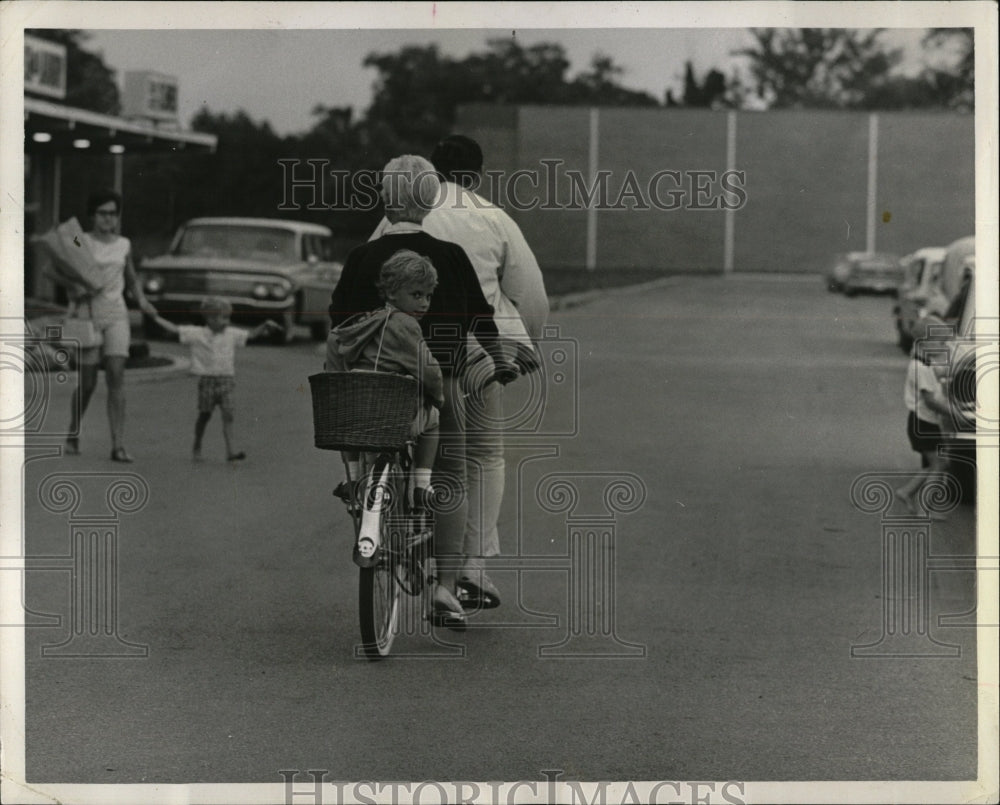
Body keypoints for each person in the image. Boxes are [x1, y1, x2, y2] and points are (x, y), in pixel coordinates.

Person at [328, 154, 517, 628]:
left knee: (372, 456)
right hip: (441, 385)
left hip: (373, 390)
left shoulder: (359, 259)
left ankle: (369, 506)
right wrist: (499, 360)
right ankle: (446, 589)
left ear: (385, 200)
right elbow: (482, 320)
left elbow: (338, 321)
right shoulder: (449, 256)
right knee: (453, 470)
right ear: (431, 199)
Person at [371, 135, 550, 610]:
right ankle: (470, 565)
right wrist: (519, 347)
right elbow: (530, 295)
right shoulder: (493, 217)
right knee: (482, 454)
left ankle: (404, 533)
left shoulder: (398, 216)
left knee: (406, 442)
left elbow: (370, 277)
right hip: (469, 353)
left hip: (398, 350)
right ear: (478, 175)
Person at [326, 249, 444, 537]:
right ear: (392, 292)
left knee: (349, 419)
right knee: (433, 420)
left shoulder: (366, 322)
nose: (424, 303)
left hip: (360, 413)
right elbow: (428, 369)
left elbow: (338, 349)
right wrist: (437, 395)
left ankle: (353, 480)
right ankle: (420, 485)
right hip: (396, 414)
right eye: (416, 295)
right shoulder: (405, 324)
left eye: (428, 296)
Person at [61, 189, 158, 463]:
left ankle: (118, 444)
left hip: (116, 313)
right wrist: (74, 289)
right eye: (103, 213)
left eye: (113, 213)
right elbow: (65, 273)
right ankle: (73, 430)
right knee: (88, 382)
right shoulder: (81, 240)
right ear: (92, 215)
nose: (108, 218)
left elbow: (132, 278)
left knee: (116, 374)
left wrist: (142, 301)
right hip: (88, 315)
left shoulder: (123, 244)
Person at [144, 297, 282, 462]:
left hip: (226, 380)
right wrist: (155, 317)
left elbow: (251, 334)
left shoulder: (232, 333)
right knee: (205, 415)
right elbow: (175, 329)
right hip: (207, 381)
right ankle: (197, 444)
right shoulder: (197, 334)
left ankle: (231, 451)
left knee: (228, 414)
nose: (225, 322)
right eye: (221, 318)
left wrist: (265, 325)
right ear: (209, 319)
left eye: (227, 317)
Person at [895, 315, 954, 519]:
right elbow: (930, 401)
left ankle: (906, 492)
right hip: (924, 424)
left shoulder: (921, 363)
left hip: (922, 422)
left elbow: (937, 373)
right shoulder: (920, 367)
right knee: (940, 464)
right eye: (940, 343)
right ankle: (924, 509)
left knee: (933, 464)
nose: (944, 347)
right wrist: (955, 413)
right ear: (925, 343)